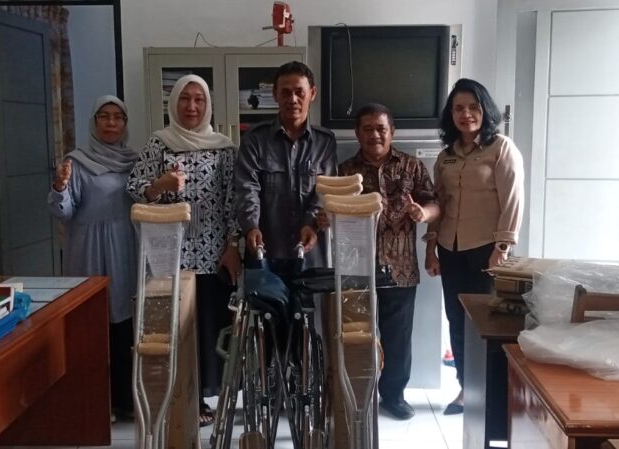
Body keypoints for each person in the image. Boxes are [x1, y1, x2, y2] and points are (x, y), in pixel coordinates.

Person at [127, 75, 239, 427]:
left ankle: (203, 396)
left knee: (207, 326)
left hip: (212, 254)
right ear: (173, 104)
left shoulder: (224, 147)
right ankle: (176, 396)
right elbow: (134, 188)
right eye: (185, 99)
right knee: (174, 326)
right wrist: (159, 185)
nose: (192, 106)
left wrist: (233, 246)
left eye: (199, 99)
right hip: (168, 254)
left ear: (208, 105)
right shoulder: (159, 143)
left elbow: (233, 200)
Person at [321, 103, 439, 420]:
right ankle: (356, 395)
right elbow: (328, 211)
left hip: (401, 269)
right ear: (358, 133)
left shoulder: (412, 166)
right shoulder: (344, 172)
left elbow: (434, 204)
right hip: (355, 270)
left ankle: (394, 396)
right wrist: (325, 219)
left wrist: (422, 213)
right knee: (356, 337)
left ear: (392, 132)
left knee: (398, 338)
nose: (375, 135)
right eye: (368, 129)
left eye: (381, 129)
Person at [424, 79, 524, 415]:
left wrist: (502, 248)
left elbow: (513, 201)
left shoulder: (501, 148)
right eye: (458, 108)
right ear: (450, 115)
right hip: (450, 248)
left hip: (487, 249)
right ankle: (467, 387)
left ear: (485, 110)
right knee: (456, 320)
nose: (466, 114)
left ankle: (491, 390)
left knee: (486, 321)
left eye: (473, 107)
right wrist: (431, 249)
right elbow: (439, 204)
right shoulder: (446, 157)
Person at [48, 95, 139, 422]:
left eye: (118, 117)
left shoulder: (135, 160)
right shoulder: (77, 161)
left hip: (124, 247)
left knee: (124, 322)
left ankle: (126, 400)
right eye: (104, 116)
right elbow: (64, 211)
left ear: (125, 123)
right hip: (87, 248)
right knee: (91, 322)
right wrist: (60, 186)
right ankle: (97, 400)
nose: (111, 123)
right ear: (94, 122)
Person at [235, 61, 337, 270]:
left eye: (300, 92)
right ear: (275, 95)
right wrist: (251, 226)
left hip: (311, 254)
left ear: (312, 93)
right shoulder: (255, 139)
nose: (293, 99)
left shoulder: (324, 141)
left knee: (313, 294)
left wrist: (311, 223)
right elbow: (247, 188)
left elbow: (325, 191)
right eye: (286, 92)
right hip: (265, 251)